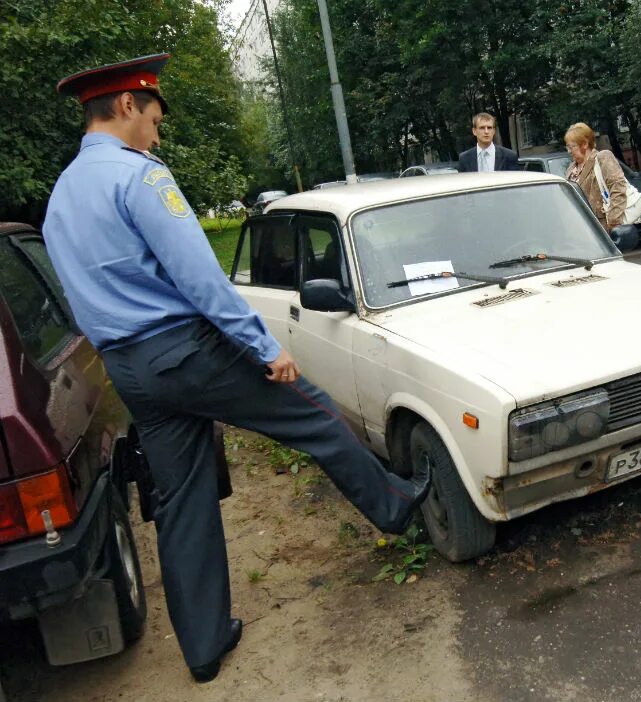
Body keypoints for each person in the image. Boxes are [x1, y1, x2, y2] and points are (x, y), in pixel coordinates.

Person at [43, 54, 430, 684]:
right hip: (186, 350)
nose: (158, 130)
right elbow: (198, 275)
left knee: (182, 497)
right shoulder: (140, 178)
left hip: (131, 368)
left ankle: (203, 645)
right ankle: (395, 504)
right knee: (314, 413)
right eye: (154, 115)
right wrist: (263, 346)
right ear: (124, 107)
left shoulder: (62, 194)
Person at [563, 122, 632, 232]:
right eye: (568, 147)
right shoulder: (571, 169)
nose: (569, 151)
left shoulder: (603, 158)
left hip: (603, 230)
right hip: (581, 230)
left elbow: (618, 189)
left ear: (585, 144)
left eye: (572, 146)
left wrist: (613, 223)